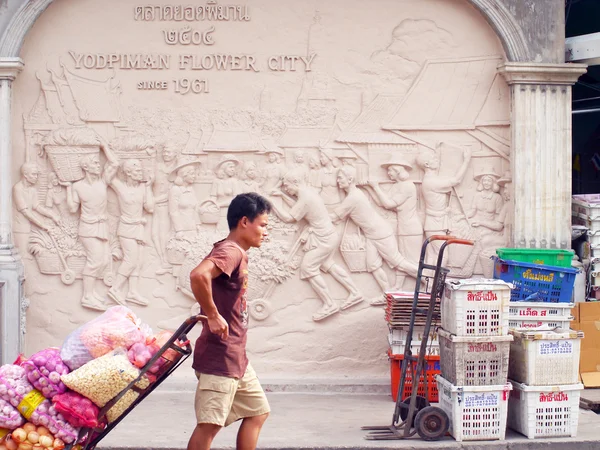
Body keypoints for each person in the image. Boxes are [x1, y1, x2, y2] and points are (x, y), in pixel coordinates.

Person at [188, 192, 271, 450]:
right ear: (244, 222)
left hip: (236, 357)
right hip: (220, 357)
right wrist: (212, 314)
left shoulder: (236, 252)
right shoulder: (230, 251)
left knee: (257, 411)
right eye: (262, 225)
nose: (265, 232)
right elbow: (198, 275)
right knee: (210, 425)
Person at [269, 171, 364, 321]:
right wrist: (282, 196)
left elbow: (289, 217)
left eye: (287, 186)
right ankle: (355, 292)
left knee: (308, 268)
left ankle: (329, 303)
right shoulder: (307, 194)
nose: (287, 189)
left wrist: (271, 203)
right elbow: (298, 208)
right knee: (328, 264)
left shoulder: (305, 198)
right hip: (328, 235)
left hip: (324, 238)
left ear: (295, 182)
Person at [332, 166, 419, 295]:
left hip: (381, 233)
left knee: (398, 262)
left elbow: (334, 217)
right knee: (373, 265)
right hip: (371, 235)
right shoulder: (355, 193)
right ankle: (387, 293)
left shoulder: (353, 198)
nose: (337, 181)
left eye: (340, 177)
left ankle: (429, 279)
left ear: (350, 179)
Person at [64, 142, 119, 311]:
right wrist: (67, 189)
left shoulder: (103, 182)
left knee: (103, 260)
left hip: (101, 226)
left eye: (98, 162)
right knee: (95, 260)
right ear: (86, 167)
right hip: (87, 227)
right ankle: (87, 296)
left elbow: (114, 164)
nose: (98, 165)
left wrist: (104, 147)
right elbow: (73, 208)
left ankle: (91, 293)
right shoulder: (78, 186)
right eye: (95, 163)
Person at [106, 159, 155, 307]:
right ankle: (115, 288)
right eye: (137, 171)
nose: (140, 173)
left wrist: (149, 187)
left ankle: (132, 292)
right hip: (126, 228)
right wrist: (110, 156)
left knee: (138, 262)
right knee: (131, 259)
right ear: (128, 173)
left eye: (140, 170)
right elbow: (107, 177)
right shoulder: (120, 186)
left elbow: (150, 208)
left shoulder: (142, 188)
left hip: (139, 228)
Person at [416, 144, 471, 264]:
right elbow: (456, 180)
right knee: (443, 256)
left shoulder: (432, 180)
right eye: (434, 159)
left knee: (432, 257)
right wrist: (466, 161)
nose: (438, 161)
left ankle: (430, 283)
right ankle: (435, 282)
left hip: (436, 223)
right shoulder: (431, 181)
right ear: (427, 164)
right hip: (435, 224)